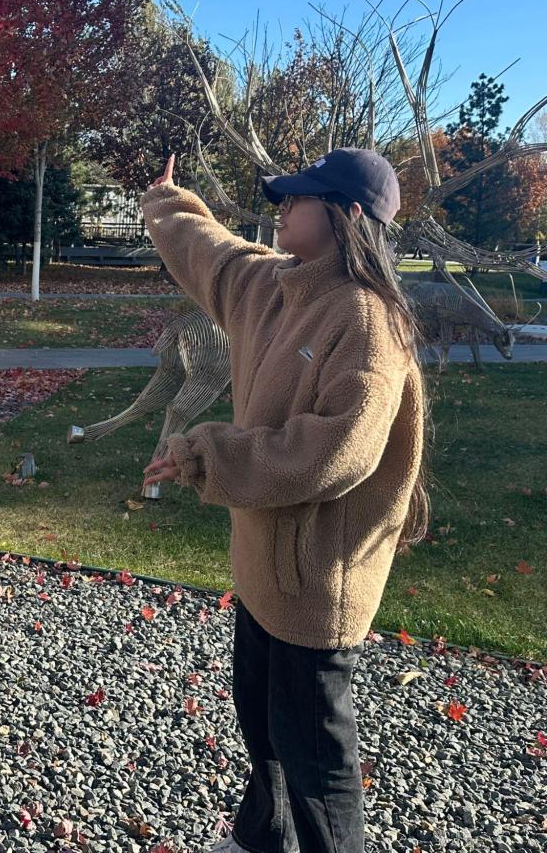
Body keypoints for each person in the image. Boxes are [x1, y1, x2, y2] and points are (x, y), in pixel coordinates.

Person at [139, 151, 427, 853]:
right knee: (262, 730)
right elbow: (213, 255)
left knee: (318, 769)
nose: (282, 204)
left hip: (316, 588)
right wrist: (166, 201)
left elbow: (335, 451)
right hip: (261, 574)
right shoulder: (273, 284)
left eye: (299, 196)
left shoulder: (367, 322)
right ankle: (262, 836)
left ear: (347, 216)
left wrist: (207, 454)